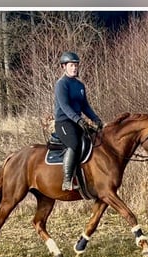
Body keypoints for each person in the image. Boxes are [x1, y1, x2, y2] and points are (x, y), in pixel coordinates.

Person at [54, 51, 103, 191]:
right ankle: (67, 180)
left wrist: (96, 119)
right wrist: (79, 120)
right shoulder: (61, 84)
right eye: (71, 65)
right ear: (64, 66)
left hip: (77, 122)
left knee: (95, 140)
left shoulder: (80, 85)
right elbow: (65, 106)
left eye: (76, 65)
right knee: (74, 144)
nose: (74, 68)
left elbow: (85, 106)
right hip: (64, 123)